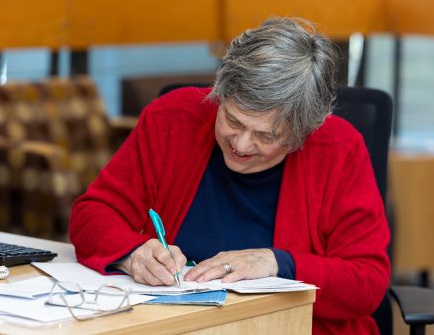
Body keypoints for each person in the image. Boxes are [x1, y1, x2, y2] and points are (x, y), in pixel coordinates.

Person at [70, 17, 390, 334]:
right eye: (233, 121)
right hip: (178, 326)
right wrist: (133, 254)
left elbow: (367, 280)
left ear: (303, 132)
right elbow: (92, 214)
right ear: (219, 94)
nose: (241, 144)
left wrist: (278, 264)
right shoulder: (172, 119)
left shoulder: (338, 149)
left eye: (266, 135)